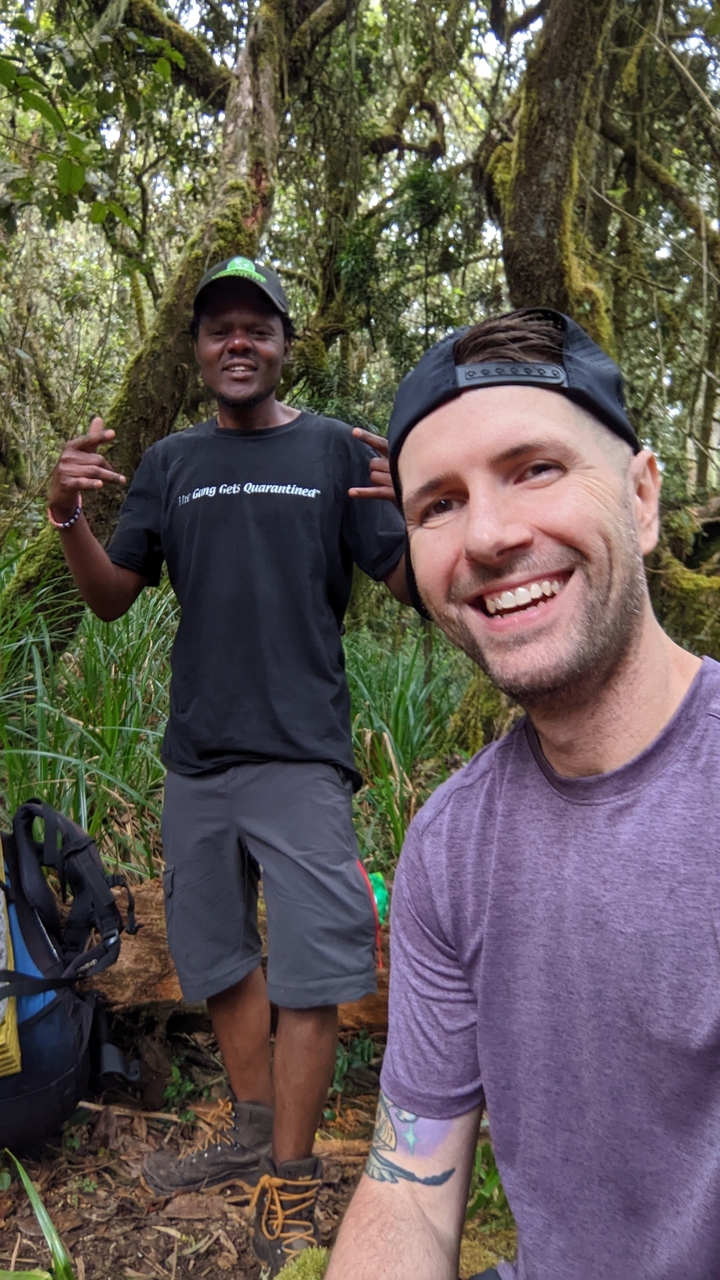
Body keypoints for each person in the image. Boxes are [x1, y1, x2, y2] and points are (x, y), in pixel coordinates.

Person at [327, 308, 720, 1280]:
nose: (492, 535)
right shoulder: (451, 846)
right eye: (438, 505)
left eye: (535, 468)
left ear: (642, 496)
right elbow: (410, 1185)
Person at [46, 256, 408, 1277]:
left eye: (258, 326)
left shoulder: (337, 449)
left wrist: (431, 501)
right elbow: (114, 595)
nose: (237, 341)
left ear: (287, 343)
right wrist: (65, 515)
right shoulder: (169, 461)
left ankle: (290, 1175)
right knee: (217, 960)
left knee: (314, 972)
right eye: (219, 330)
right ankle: (251, 1128)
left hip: (301, 755)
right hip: (197, 757)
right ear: (200, 350)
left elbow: (408, 576)